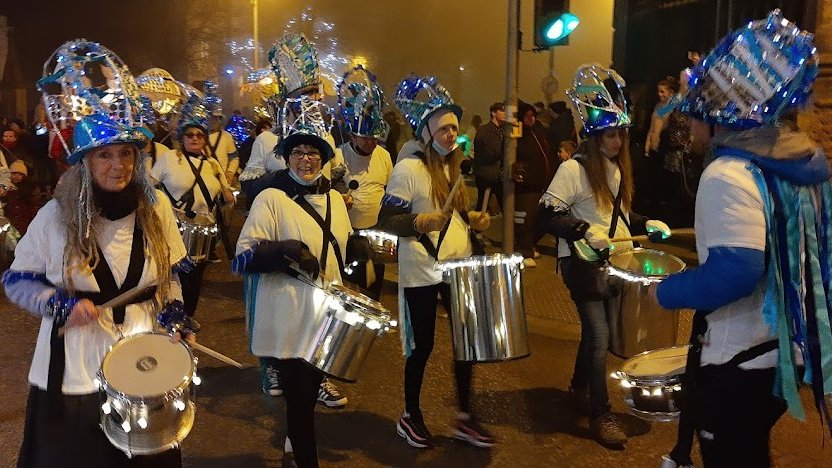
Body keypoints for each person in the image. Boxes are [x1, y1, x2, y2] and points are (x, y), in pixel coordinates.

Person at [3, 39, 195, 467]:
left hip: (144, 359)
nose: (118, 165)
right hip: (76, 365)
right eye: (105, 155)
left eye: (126, 153)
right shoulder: (55, 216)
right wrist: (59, 303)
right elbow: (16, 280)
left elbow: (170, 276)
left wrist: (175, 312)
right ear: (85, 163)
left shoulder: (157, 207)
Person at [654, 11, 829, 468]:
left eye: (695, 116)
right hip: (781, 353)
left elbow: (736, 270)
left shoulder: (728, 173)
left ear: (719, 117)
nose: (689, 128)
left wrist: (666, 290)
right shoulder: (792, 167)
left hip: (738, 359)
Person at [233, 96, 371, 467]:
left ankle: (294, 445)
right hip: (289, 316)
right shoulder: (271, 199)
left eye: (313, 152)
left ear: (324, 158)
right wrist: (284, 250)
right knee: (299, 395)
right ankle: (305, 459)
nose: (306, 159)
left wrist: (359, 259)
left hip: (325, 314)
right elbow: (243, 256)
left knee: (309, 395)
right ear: (287, 157)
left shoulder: (336, 201)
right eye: (299, 152)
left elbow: (340, 256)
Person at [538, 64, 670, 447]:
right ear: (595, 136)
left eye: (621, 133)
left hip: (614, 261)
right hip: (580, 263)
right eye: (611, 134)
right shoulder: (572, 170)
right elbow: (546, 216)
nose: (618, 141)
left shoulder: (616, 169)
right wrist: (582, 231)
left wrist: (649, 223)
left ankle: (578, 387)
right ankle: (600, 413)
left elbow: (620, 218)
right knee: (599, 335)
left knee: (599, 334)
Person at [381, 74, 494, 450]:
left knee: (466, 344)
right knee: (423, 346)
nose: (451, 134)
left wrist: (471, 220)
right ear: (426, 131)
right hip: (422, 271)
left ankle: (464, 417)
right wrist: (417, 221)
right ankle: (409, 415)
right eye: (443, 128)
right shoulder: (408, 169)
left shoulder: (451, 167)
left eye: (454, 128)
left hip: (456, 268)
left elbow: (451, 215)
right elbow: (387, 220)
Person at [152, 95, 236, 326]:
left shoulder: (212, 164)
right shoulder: (170, 158)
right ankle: (167, 316)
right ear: (181, 137)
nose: (195, 138)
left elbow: (225, 192)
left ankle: (188, 315)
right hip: (175, 227)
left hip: (204, 228)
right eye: (190, 134)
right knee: (175, 274)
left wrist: (228, 196)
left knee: (196, 277)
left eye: (200, 134)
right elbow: (150, 185)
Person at [335, 65, 394, 300]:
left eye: (374, 138)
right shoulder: (340, 155)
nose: (371, 143)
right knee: (352, 280)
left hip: (376, 230)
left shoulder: (384, 155)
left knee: (375, 279)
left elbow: (390, 188)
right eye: (366, 138)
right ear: (353, 135)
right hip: (349, 232)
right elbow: (332, 191)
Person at [515, 101, 556, 267]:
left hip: (542, 185)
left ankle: (530, 245)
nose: (531, 118)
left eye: (533, 115)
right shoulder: (519, 135)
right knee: (523, 220)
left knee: (540, 219)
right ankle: (524, 251)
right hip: (527, 187)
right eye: (527, 115)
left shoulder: (538, 131)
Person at [472, 102, 505, 215]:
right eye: (502, 110)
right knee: (483, 205)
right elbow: (488, 152)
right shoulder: (485, 130)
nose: (505, 113)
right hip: (487, 175)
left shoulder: (502, 130)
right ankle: (476, 228)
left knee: (504, 204)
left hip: (497, 175)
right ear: (493, 113)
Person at [3, 159, 44, 235]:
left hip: (25, 224)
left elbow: (34, 206)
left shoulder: (30, 189)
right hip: (9, 224)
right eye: (14, 173)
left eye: (20, 174)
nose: (16, 176)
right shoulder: (5, 188)